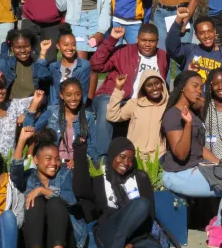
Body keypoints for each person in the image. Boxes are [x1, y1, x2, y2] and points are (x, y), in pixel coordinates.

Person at [74, 138, 169, 248]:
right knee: (140, 203)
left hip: (134, 238)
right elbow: (80, 190)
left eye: (130, 159)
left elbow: (150, 214)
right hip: (108, 233)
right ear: (112, 155)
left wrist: (131, 242)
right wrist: (80, 152)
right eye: (122, 157)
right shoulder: (100, 182)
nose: (126, 163)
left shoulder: (140, 179)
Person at [10, 127, 78, 248]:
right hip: (35, 242)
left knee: (55, 202)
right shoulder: (28, 178)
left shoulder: (65, 173)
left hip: (62, 242)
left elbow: (72, 199)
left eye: (56, 158)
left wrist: (44, 190)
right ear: (35, 160)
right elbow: (14, 172)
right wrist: (21, 141)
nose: (54, 163)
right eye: (48, 158)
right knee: (35, 203)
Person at [90, 24, 168, 158]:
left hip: (141, 101)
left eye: (152, 41)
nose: (147, 44)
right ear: (137, 38)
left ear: (158, 41)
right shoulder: (124, 50)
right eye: (144, 40)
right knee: (105, 106)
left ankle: (153, 156)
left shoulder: (163, 56)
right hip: (113, 94)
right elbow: (97, 65)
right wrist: (111, 40)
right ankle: (101, 158)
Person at [55, 0, 111, 100]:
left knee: (94, 67)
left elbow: (106, 9)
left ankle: (89, 102)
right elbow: (61, 6)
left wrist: (101, 32)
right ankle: (76, 100)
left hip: (96, 24)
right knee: (79, 65)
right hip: (77, 25)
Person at [161, 72, 222, 197]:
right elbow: (181, 154)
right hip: (177, 174)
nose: (199, 91)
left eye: (201, 87)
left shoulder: (192, 113)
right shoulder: (172, 115)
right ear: (182, 88)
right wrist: (188, 124)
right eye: (195, 86)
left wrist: (221, 164)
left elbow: (199, 148)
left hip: (195, 169)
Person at [24, 79, 96, 167]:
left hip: (78, 165)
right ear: (61, 95)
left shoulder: (88, 117)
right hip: (53, 164)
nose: (73, 98)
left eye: (77, 94)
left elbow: (93, 146)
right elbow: (29, 130)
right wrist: (35, 103)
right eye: (68, 95)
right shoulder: (52, 112)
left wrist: (80, 158)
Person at [0, 28, 48, 100]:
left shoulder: (38, 65)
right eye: (18, 47)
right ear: (12, 48)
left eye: (26, 46)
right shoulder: (3, 62)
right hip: (8, 109)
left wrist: (43, 54)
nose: (23, 50)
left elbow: (44, 75)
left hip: (31, 107)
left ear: (31, 47)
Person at [106, 70, 169, 160]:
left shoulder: (169, 105)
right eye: (149, 85)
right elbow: (112, 116)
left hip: (160, 157)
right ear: (143, 88)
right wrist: (118, 88)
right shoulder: (134, 104)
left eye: (157, 83)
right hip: (136, 156)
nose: (154, 88)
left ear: (162, 84)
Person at [166, 11, 222, 81]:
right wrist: (178, 20)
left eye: (210, 31)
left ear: (215, 31)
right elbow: (171, 47)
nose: (207, 36)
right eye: (202, 33)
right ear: (196, 35)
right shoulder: (190, 50)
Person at [36, 25, 91, 106]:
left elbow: (83, 92)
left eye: (73, 44)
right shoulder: (53, 67)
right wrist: (43, 52)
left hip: (75, 108)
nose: (70, 48)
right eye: (66, 44)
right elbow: (40, 75)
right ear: (58, 46)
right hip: (55, 108)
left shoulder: (83, 65)